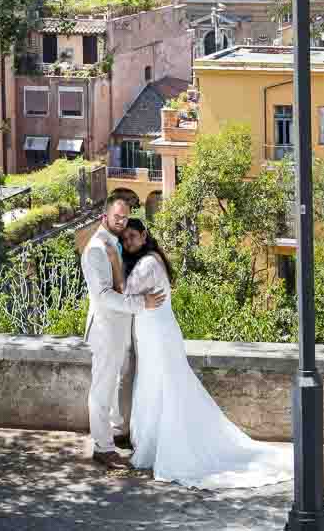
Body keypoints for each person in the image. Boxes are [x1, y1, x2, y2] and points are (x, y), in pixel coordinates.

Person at [102, 218, 293, 489]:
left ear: (144, 235)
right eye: (124, 240)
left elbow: (124, 294)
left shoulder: (148, 264)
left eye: (132, 237)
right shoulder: (151, 260)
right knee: (156, 387)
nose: (128, 242)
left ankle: (167, 447)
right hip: (154, 333)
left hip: (157, 336)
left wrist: (113, 259)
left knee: (163, 387)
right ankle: (155, 444)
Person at [81, 196, 166, 469]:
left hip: (122, 329)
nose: (121, 222)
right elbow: (104, 295)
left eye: (125, 218)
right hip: (106, 330)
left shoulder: (114, 244)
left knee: (119, 382)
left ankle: (117, 433)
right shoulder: (95, 249)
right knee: (101, 390)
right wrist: (141, 304)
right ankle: (102, 448)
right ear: (104, 216)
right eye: (117, 217)